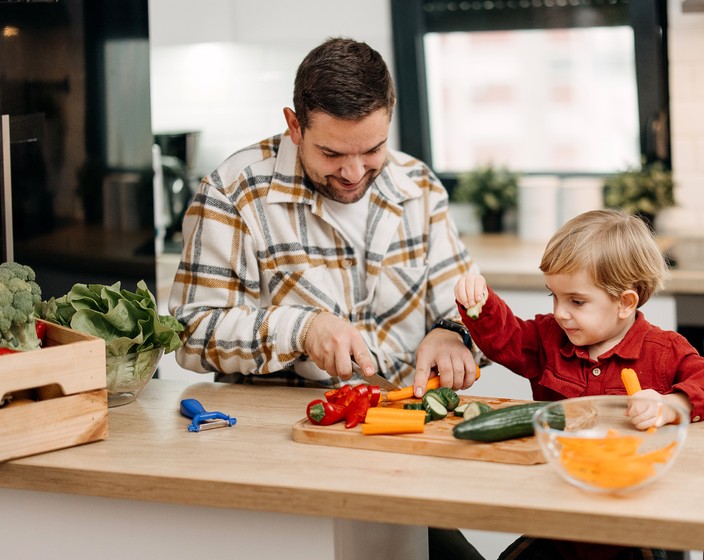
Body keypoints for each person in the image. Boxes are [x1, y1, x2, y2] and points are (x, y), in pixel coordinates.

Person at [169, 37, 484, 560]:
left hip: (400, 453)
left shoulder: (419, 189)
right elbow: (191, 332)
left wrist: (454, 335)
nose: (355, 172)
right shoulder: (233, 191)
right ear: (295, 126)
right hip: (283, 461)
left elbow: (466, 308)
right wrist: (300, 328)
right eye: (332, 153)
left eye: (372, 150)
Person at [454, 208, 703, 560]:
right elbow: (505, 340)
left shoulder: (665, 351)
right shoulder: (548, 338)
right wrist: (481, 306)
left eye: (576, 301)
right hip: (559, 519)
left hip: (631, 531)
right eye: (553, 296)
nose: (560, 312)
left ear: (624, 302)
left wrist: (674, 405)